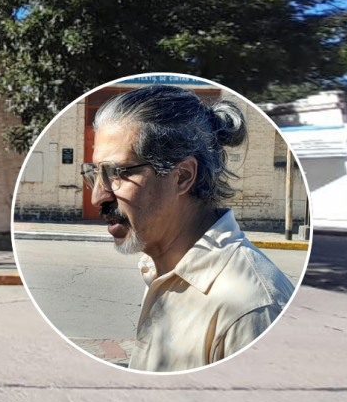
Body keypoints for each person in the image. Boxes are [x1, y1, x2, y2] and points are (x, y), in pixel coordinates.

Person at [82, 85, 296, 372]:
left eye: (118, 173)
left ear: (182, 176)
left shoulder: (250, 306)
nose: (98, 197)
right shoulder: (161, 271)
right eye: (96, 173)